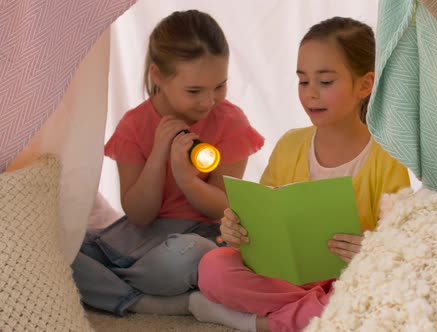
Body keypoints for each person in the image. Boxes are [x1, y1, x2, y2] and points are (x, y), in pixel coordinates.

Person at [192, 17, 410, 332]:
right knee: (213, 266)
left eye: (325, 82)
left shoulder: (386, 157)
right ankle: (311, 314)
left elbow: (398, 245)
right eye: (303, 81)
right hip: (283, 278)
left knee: (375, 296)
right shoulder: (290, 144)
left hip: (346, 279)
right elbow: (260, 222)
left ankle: (261, 323)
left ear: (365, 85)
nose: (310, 94)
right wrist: (236, 230)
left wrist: (369, 249)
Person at [71, 10, 264, 318]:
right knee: (60, 250)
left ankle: (114, 290)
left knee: (190, 256)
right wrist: (160, 152)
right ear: (157, 76)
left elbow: (225, 208)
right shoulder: (134, 126)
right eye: (194, 91)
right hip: (139, 238)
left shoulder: (231, 122)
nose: (209, 101)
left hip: (197, 237)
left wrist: (188, 182)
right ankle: (146, 300)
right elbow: (139, 215)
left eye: (219, 86)